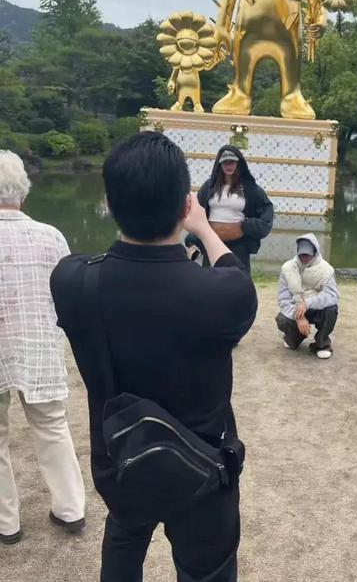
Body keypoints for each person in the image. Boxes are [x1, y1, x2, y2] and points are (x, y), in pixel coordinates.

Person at [50, 133, 258, 582]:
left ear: (108, 202)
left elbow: (109, 266)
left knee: (124, 538)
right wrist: (203, 229)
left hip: (121, 458)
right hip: (205, 470)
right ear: (185, 205)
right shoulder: (222, 295)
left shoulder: (71, 282)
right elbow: (232, 270)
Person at [0, 151, 85, 546]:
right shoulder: (52, 236)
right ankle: (71, 510)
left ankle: (7, 523)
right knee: (52, 426)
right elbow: (70, 296)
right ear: (24, 192)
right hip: (39, 345)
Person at [189, 145, 273, 272]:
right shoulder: (209, 187)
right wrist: (194, 238)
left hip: (238, 245)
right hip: (212, 243)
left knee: (237, 280)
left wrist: (249, 226)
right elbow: (198, 210)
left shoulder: (249, 188)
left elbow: (266, 210)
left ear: (238, 163)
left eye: (232, 162)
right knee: (211, 281)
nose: (229, 166)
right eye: (225, 163)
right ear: (220, 164)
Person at [276, 234, 339, 360]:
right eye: (301, 254)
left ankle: (322, 344)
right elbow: (283, 299)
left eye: (308, 254)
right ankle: (294, 337)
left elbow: (332, 296)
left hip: (317, 308)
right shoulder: (287, 268)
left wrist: (307, 303)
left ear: (315, 252)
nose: (304, 257)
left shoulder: (327, 270)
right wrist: (299, 317)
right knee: (282, 319)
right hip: (296, 308)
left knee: (331, 309)